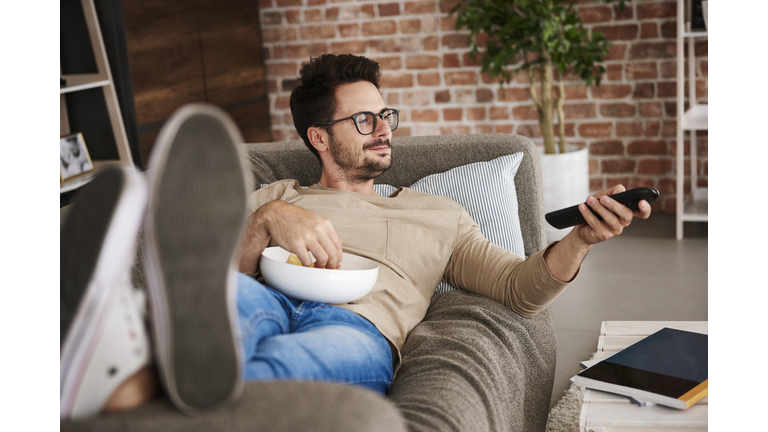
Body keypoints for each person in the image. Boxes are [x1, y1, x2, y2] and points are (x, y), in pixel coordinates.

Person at [60, 53, 652, 420]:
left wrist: (579, 241)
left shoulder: (438, 214)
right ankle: (122, 339)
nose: (383, 130)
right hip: (264, 294)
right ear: (320, 137)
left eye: (385, 117)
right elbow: (218, 274)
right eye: (364, 120)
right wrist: (264, 223)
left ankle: (123, 387)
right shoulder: (277, 197)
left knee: (280, 366)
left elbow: (516, 288)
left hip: (358, 326)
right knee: (225, 307)